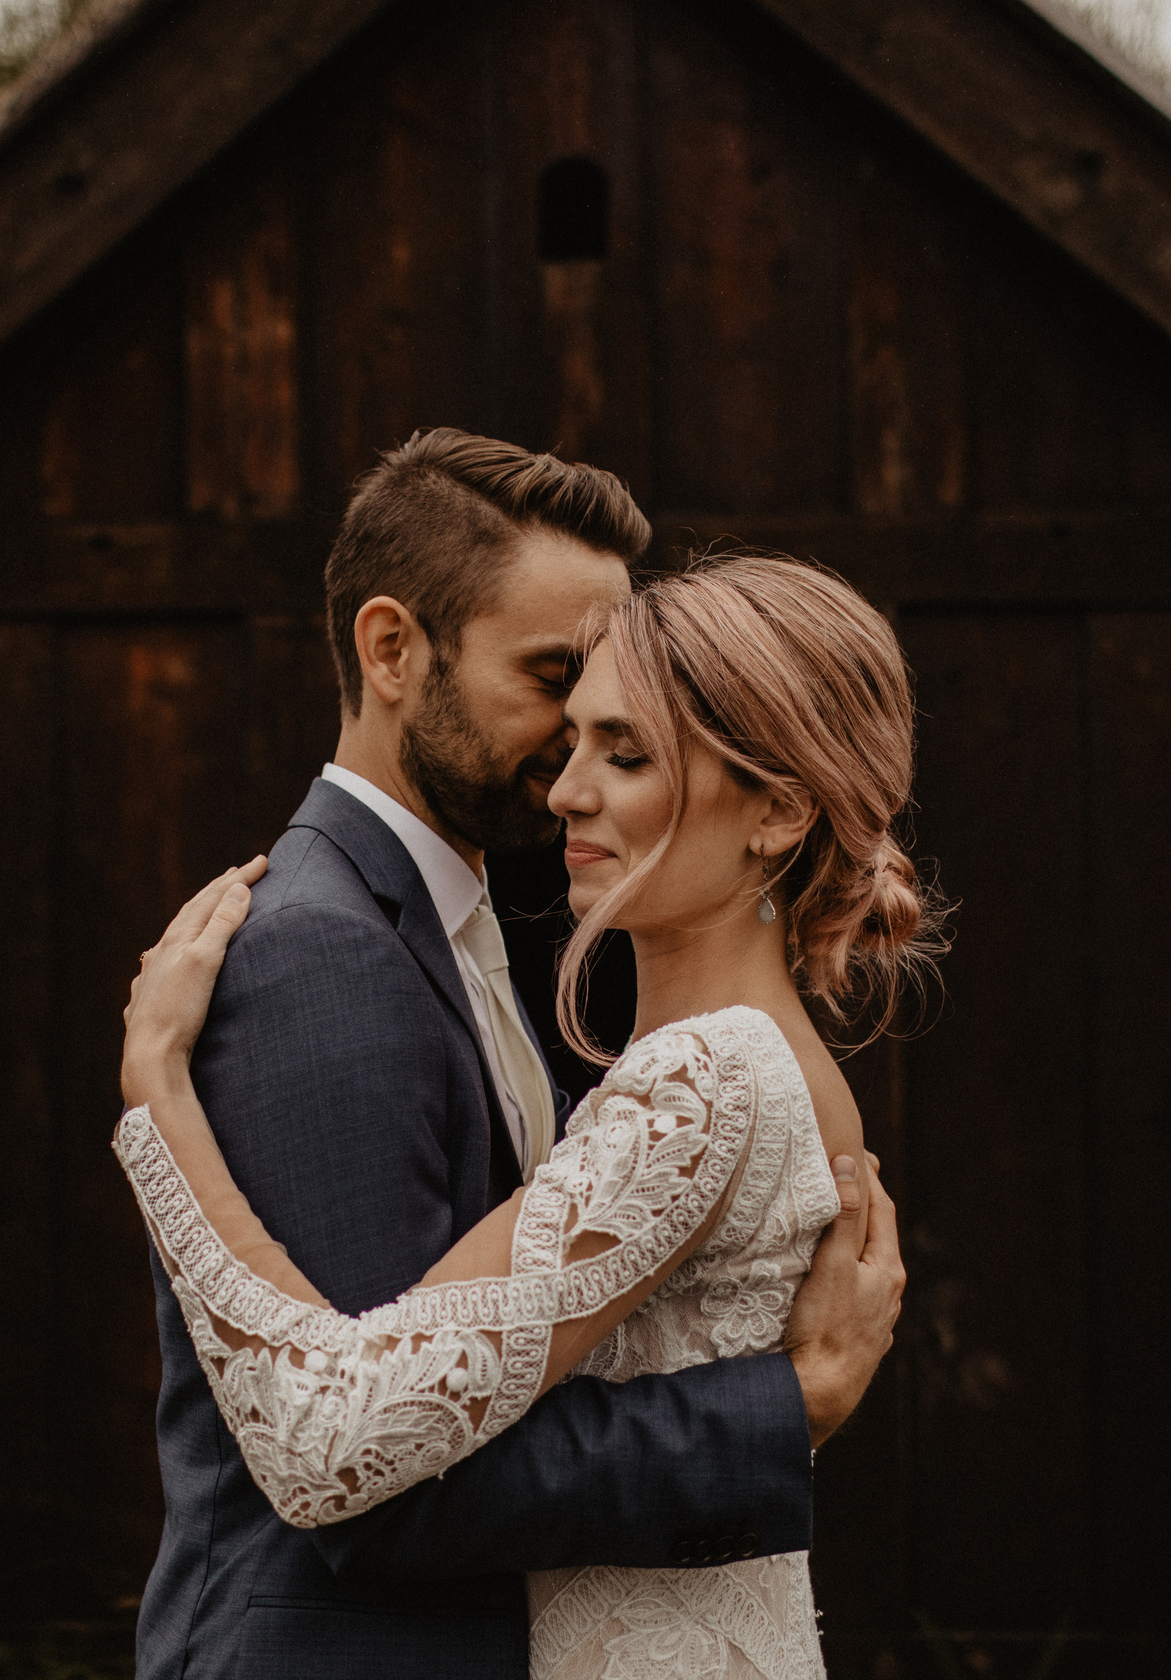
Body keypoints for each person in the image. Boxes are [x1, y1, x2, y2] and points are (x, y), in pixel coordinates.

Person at [122, 531, 941, 1678]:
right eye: (573, 740)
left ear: (779, 812)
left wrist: (159, 1103)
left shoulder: (701, 1080)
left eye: (627, 754)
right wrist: (787, 1404)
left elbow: (330, 1437)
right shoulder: (760, 1064)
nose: (566, 790)